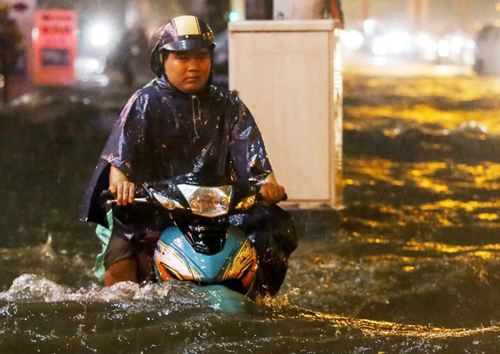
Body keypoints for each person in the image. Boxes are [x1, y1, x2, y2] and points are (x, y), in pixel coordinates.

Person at [79, 15, 297, 295]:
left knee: (272, 233)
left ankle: (261, 301)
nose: (193, 66)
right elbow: (121, 157)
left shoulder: (229, 105)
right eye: (182, 58)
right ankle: (125, 311)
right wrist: (121, 185)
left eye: (201, 56)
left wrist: (269, 185)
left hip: (219, 212)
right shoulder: (144, 102)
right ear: (162, 59)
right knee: (120, 255)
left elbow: (253, 157)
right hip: (153, 211)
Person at [0, 2, 22, 104]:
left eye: (3, 12)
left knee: (7, 80)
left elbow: (18, 37)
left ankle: (6, 100)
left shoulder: (10, 24)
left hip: (7, 56)